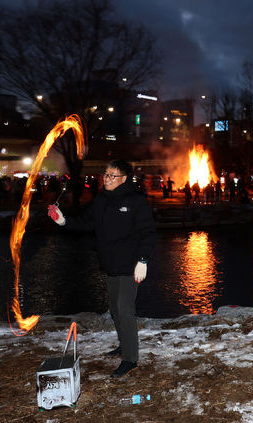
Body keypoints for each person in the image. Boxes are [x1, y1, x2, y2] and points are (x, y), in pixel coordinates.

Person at [47, 160, 156, 379]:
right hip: (109, 264)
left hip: (130, 266)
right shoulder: (101, 200)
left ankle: (130, 359)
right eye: (105, 174)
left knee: (125, 310)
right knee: (115, 309)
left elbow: (148, 233)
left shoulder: (136, 201)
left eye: (112, 175)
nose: (106, 178)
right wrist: (62, 220)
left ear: (124, 178)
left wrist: (143, 260)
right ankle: (124, 346)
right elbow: (86, 223)